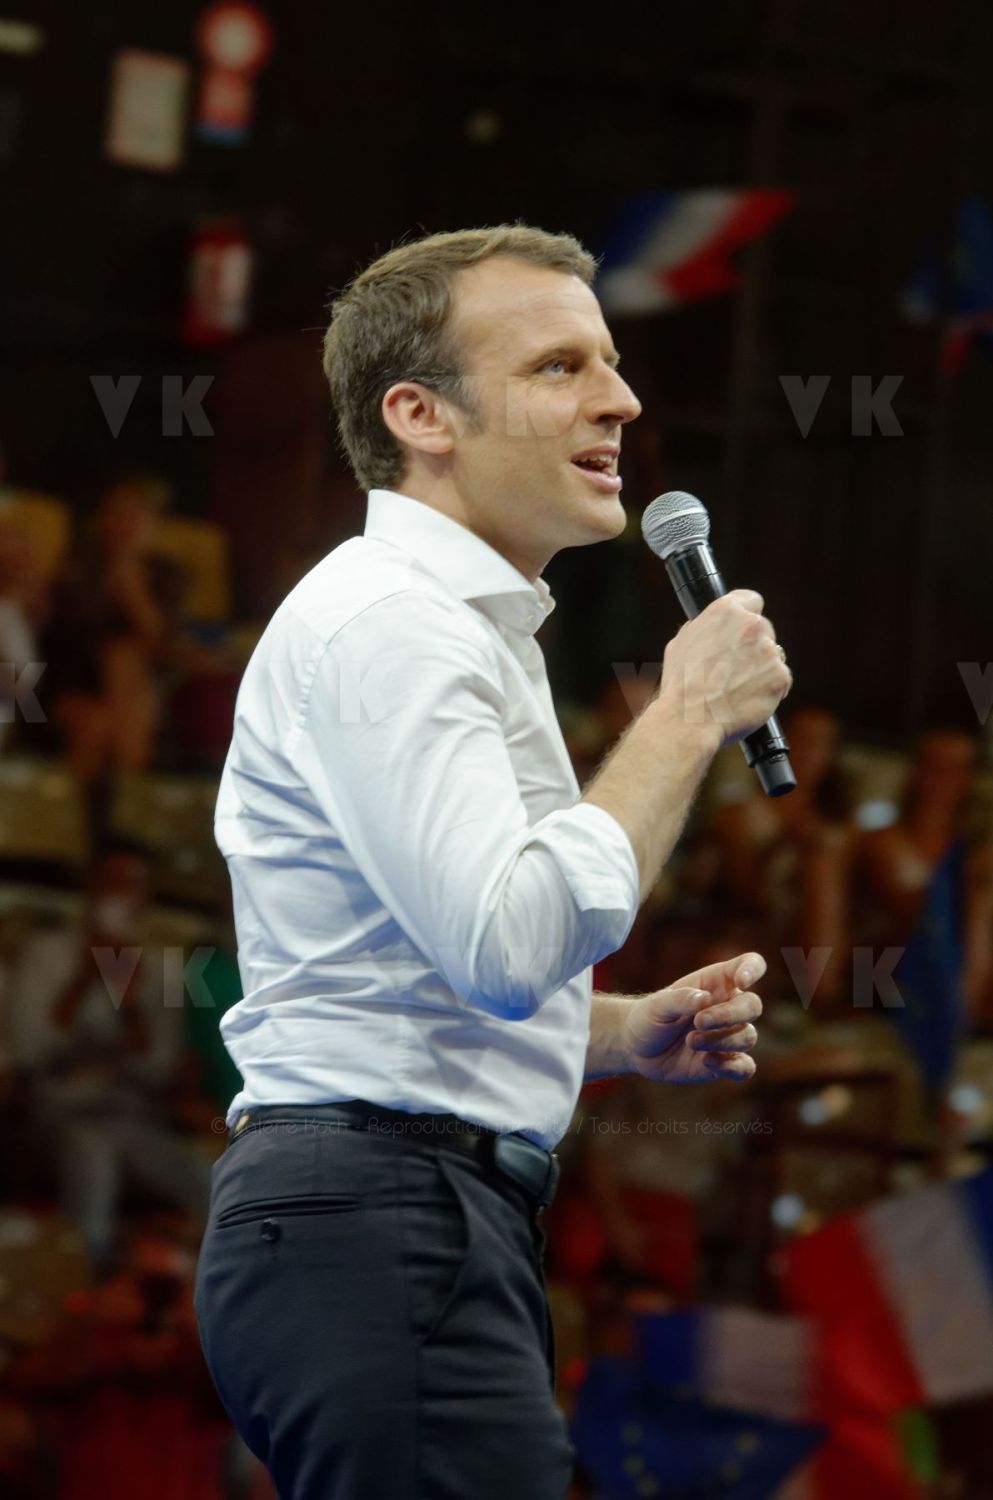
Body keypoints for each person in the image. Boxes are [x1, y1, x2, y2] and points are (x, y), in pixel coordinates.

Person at [193, 225, 792, 1500]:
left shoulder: (450, 627)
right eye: (559, 366)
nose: (620, 400)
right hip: (384, 1219)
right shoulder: (394, 626)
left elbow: (412, 971)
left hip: (400, 1221)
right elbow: (509, 945)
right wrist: (687, 714)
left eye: (610, 362)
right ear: (422, 417)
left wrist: (617, 1031)